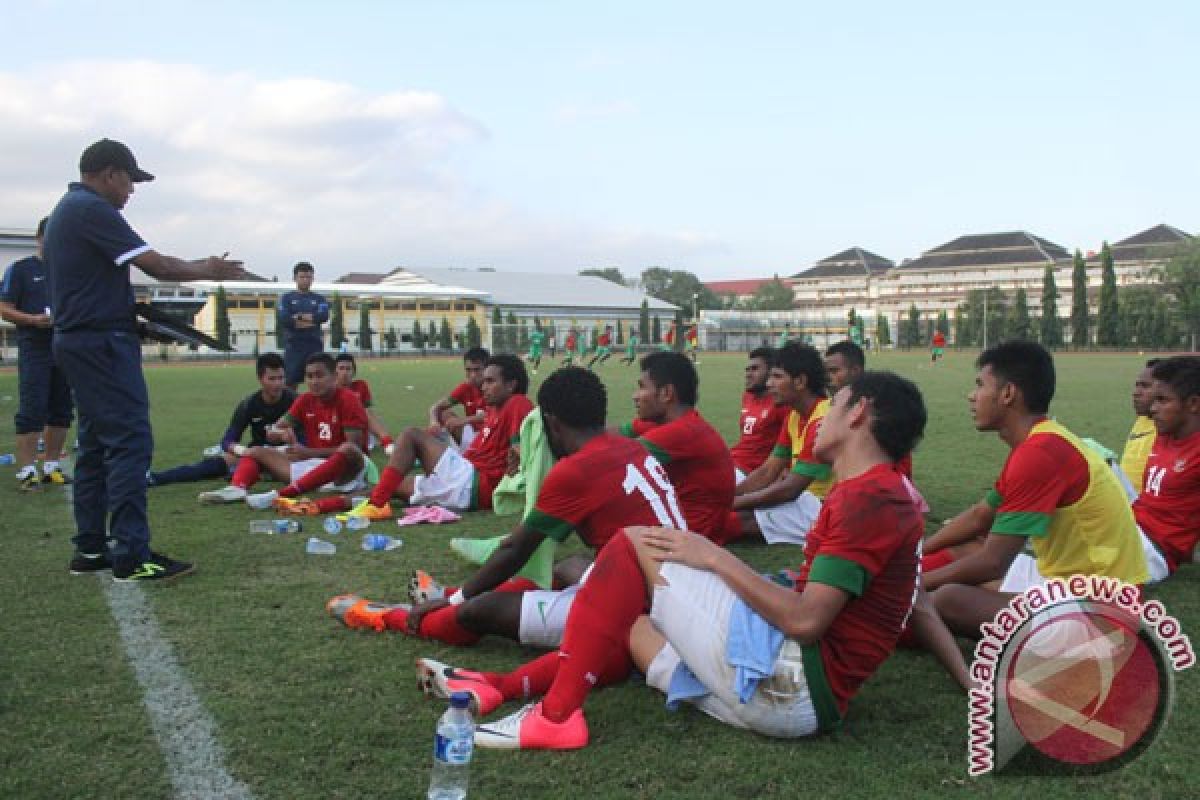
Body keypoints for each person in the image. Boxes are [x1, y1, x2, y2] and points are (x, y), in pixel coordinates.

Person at [425, 371, 927, 750]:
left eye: (835, 403)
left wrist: (714, 558)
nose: (824, 412)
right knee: (625, 622)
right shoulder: (878, 491)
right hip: (795, 699)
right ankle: (499, 687)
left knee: (631, 541)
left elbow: (806, 620)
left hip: (791, 688)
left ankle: (555, 717)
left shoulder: (871, 499)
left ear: (860, 412)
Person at [327, 367, 686, 652]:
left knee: (476, 611)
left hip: (646, 609)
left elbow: (516, 549)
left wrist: (458, 599)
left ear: (550, 421)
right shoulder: (630, 447)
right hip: (678, 584)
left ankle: (392, 616)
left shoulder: (575, 470)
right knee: (568, 568)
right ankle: (451, 593)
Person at [45, 137, 244, 580]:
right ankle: (132, 554)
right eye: (130, 181)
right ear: (109, 173)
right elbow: (161, 267)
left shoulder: (68, 210)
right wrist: (209, 268)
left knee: (96, 445)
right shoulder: (92, 210)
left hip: (84, 340)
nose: (131, 191)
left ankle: (92, 548)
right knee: (130, 443)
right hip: (100, 345)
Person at [922, 341, 1148, 638]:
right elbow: (980, 517)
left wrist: (915, 584)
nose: (971, 396)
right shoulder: (1042, 439)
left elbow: (993, 562)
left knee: (949, 598)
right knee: (962, 547)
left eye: (979, 385)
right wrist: (918, 554)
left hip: (1100, 608)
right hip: (1069, 582)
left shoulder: (1039, 453)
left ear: (1008, 394)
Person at [349, 354, 533, 517]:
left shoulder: (518, 402)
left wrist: (518, 458)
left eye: (490, 381)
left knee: (411, 435)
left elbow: (521, 448)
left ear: (511, 384)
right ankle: (323, 506)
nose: (483, 386)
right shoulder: (495, 408)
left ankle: (375, 506)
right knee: (391, 486)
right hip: (466, 485)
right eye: (484, 381)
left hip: (475, 482)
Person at [198, 353, 370, 510]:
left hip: (347, 473)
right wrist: (280, 434)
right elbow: (274, 430)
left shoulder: (348, 400)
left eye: (320, 376)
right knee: (256, 451)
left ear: (333, 377)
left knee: (347, 450)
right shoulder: (305, 400)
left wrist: (306, 452)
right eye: (309, 376)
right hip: (315, 465)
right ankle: (237, 488)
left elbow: (352, 449)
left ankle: (281, 495)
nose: (314, 382)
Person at [618, 352, 735, 540]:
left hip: (687, 542)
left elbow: (609, 461)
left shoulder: (682, 432)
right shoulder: (674, 423)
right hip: (687, 531)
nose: (635, 396)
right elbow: (613, 433)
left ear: (666, 393)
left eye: (641, 387)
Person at [724, 343, 830, 546]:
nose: (769, 384)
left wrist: (733, 502)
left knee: (730, 521)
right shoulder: (793, 415)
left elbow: (791, 489)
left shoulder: (822, 420)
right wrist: (730, 496)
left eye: (777, 377)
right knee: (732, 512)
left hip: (823, 507)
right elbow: (767, 471)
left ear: (800, 381)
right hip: (806, 501)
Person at [0, 216, 74, 490]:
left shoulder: (69, 270)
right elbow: (4, 306)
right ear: (40, 238)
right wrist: (31, 319)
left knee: (62, 408)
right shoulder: (21, 270)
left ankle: (52, 465)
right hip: (35, 347)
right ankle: (27, 469)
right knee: (33, 407)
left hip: (65, 345)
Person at [148, 353, 294, 487]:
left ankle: (253, 473)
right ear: (260, 379)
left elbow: (306, 441)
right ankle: (155, 478)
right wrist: (243, 451)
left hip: (287, 455)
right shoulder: (249, 404)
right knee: (214, 465)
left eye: (281, 378)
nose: (277, 384)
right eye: (272, 379)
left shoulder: (295, 401)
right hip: (254, 454)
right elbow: (227, 441)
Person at [1131, 356, 1200, 582]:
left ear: (1192, 404)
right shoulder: (1165, 435)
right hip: (1131, 529)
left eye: (1162, 400)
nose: (1153, 408)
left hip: (1152, 552)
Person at [728, 347, 787, 479]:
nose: (748, 374)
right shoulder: (747, 396)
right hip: (732, 462)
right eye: (747, 370)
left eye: (755, 369)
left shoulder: (781, 403)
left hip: (752, 472)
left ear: (771, 372)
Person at [278, 261, 329, 389]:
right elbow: (285, 319)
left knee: (317, 383)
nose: (306, 280)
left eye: (309, 277)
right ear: (295, 278)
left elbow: (323, 316)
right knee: (290, 384)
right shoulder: (286, 298)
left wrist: (298, 317)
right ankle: (292, 409)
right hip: (294, 347)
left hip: (314, 346)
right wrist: (311, 321)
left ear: (312, 278)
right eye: (302, 277)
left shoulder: (320, 299)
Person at [429, 347, 489, 449]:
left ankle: (454, 453)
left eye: (477, 370)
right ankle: (451, 449)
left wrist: (463, 420)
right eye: (468, 370)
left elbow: (496, 414)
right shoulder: (465, 388)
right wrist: (433, 422)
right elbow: (436, 407)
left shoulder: (494, 387)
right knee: (444, 414)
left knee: (411, 434)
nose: (472, 375)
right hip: (472, 435)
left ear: (487, 369)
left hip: (490, 436)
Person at [334, 353, 392, 451]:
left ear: (354, 372)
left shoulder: (361, 386)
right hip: (336, 431)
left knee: (366, 412)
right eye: (341, 368)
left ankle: (388, 443)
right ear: (334, 371)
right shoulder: (330, 390)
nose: (344, 372)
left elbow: (369, 412)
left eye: (348, 369)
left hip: (360, 432)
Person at [1119, 359, 1161, 493]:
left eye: (1145, 386)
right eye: (1137, 385)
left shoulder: (1169, 428)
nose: (1136, 392)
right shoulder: (1142, 419)